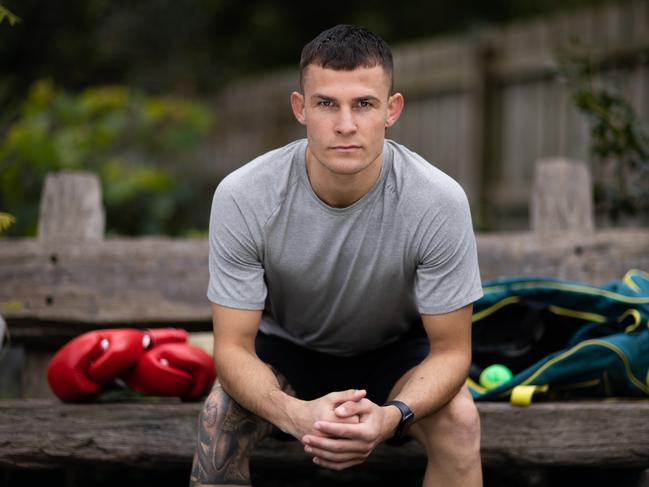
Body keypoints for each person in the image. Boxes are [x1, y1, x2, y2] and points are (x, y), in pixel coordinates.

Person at [190, 24, 484, 487]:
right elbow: (231, 348)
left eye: (363, 104)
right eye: (327, 103)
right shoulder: (245, 195)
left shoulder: (437, 200)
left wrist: (392, 417)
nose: (345, 124)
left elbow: (451, 352)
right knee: (217, 418)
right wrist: (293, 413)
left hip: (395, 357)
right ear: (300, 108)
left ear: (392, 110)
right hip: (287, 354)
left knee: (461, 423)